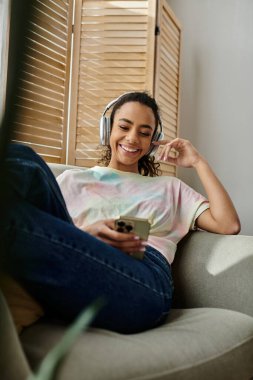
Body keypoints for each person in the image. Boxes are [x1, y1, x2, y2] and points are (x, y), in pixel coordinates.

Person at [0, 92, 240, 334]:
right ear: (107, 130)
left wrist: (198, 162)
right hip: (75, 261)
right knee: (21, 157)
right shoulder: (73, 179)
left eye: (145, 133)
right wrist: (86, 234)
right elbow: (50, 236)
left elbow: (228, 224)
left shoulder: (169, 187)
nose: (133, 138)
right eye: (124, 127)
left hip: (142, 276)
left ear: (153, 141)